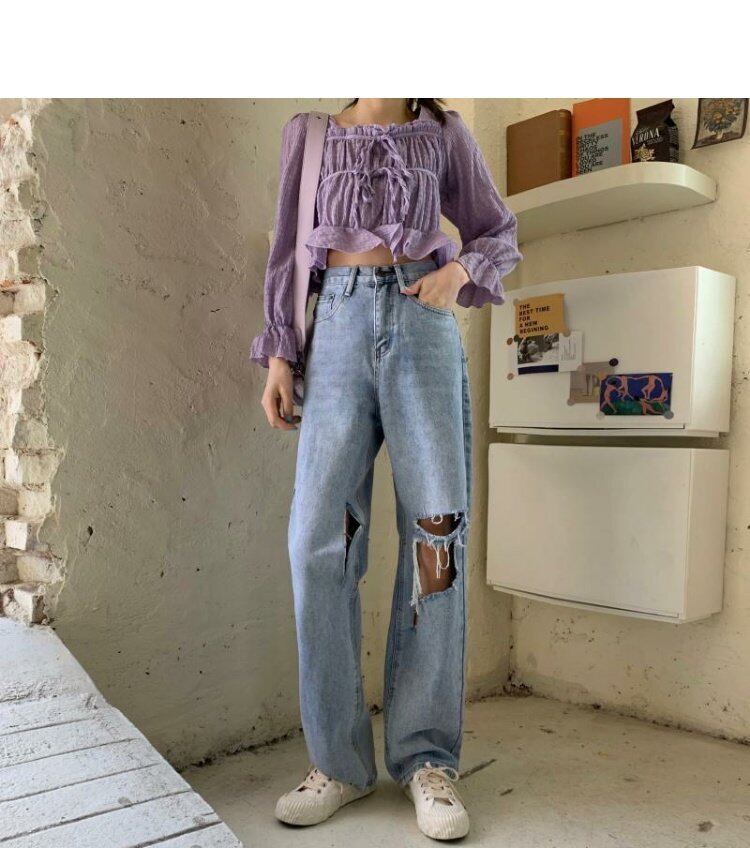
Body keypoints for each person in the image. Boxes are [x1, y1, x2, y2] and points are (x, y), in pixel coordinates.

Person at [250, 98, 521, 840]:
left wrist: (458, 271)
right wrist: (279, 356)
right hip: (335, 333)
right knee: (318, 542)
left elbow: (497, 229)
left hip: (421, 328)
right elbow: (288, 250)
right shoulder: (311, 135)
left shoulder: (446, 133)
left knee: (436, 535)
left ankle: (427, 758)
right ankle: (337, 762)